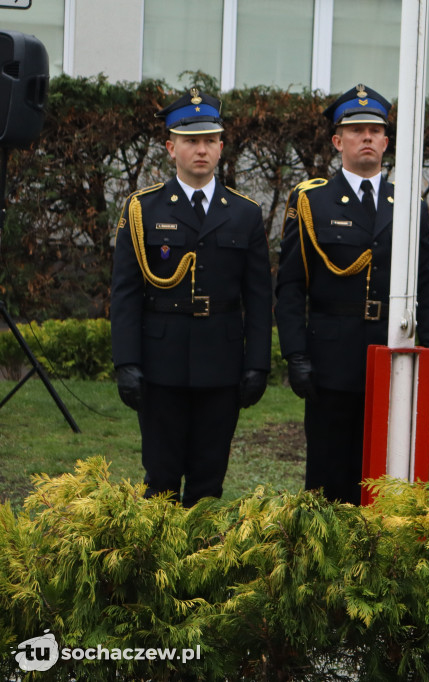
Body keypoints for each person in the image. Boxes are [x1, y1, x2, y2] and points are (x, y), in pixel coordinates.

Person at [275, 84, 429, 505]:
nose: (366, 137)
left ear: (387, 141)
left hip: (392, 352)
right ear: (338, 142)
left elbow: (427, 281)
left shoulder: (408, 204)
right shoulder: (313, 201)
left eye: (375, 130)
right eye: (356, 130)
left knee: (388, 469)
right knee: (330, 472)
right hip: (331, 358)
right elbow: (292, 285)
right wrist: (296, 355)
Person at [110, 88, 272, 506]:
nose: (200, 150)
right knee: (160, 477)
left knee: (208, 479)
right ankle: (157, 565)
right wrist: (126, 362)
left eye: (209, 141)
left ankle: (199, 562)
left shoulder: (245, 213)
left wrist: (257, 364)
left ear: (221, 147)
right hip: (160, 364)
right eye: (190, 141)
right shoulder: (142, 210)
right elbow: (125, 293)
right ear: (171, 147)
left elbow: (257, 298)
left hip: (221, 365)